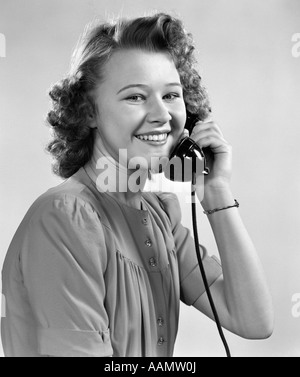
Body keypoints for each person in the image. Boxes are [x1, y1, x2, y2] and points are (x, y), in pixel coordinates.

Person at [1, 12, 274, 357]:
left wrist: (215, 190)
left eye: (172, 95)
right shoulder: (66, 217)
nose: (162, 115)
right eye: (135, 97)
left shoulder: (160, 216)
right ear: (89, 111)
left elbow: (253, 320)